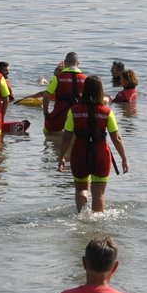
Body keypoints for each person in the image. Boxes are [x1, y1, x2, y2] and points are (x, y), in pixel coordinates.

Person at [57, 76, 129, 213]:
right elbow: (117, 138)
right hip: (101, 155)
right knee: (98, 194)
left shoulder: (74, 111)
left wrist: (61, 157)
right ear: (100, 91)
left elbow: (66, 136)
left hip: (79, 154)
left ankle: (83, 218)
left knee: (81, 190)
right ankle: (97, 228)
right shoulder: (107, 112)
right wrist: (124, 159)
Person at [43, 52, 87, 134]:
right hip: (78, 117)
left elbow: (46, 96)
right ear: (78, 63)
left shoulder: (57, 78)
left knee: (47, 132)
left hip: (59, 116)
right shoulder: (85, 79)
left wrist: (46, 113)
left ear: (65, 62)